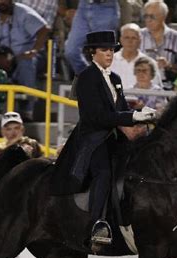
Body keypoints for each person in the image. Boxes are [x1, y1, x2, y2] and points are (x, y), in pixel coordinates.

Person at [51, 30, 157, 246]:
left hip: (114, 135)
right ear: (92, 53)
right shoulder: (86, 78)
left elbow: (122, 109)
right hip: (93, 138)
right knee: (103, 172)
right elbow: (96, 116)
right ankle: (96, 223)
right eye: (104, 50)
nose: (109, 53)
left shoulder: (115, 78)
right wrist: (132, 116)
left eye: (111, 49)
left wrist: (140, 117)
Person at [0, 0, 50, 119]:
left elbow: (44, 29)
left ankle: (28, 109)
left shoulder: (23, 12)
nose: (2, 2)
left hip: (27, 54)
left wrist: (34, 50)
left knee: (25, 63)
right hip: (4, 56)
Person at [64, 0, 120, 75]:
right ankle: (89, 78)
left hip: (106, 7)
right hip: (83, 6)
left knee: (103, 56)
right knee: (71, 51)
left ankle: (101, 82)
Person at [140, 0, 177, 88]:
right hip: (142, 86)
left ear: (163, 17)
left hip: (168, 86)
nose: (148, 20)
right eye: (146, 16)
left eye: (152, 16)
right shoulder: (138, 36)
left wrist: (169, 66)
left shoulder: (176, 38)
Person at [110, 23, 162, 90]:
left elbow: (157, 91)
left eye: (134, 38)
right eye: (127, 38)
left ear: (140, 40)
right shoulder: (108, 62)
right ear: (121, 39)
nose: (130, 41)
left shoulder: (150, 63)